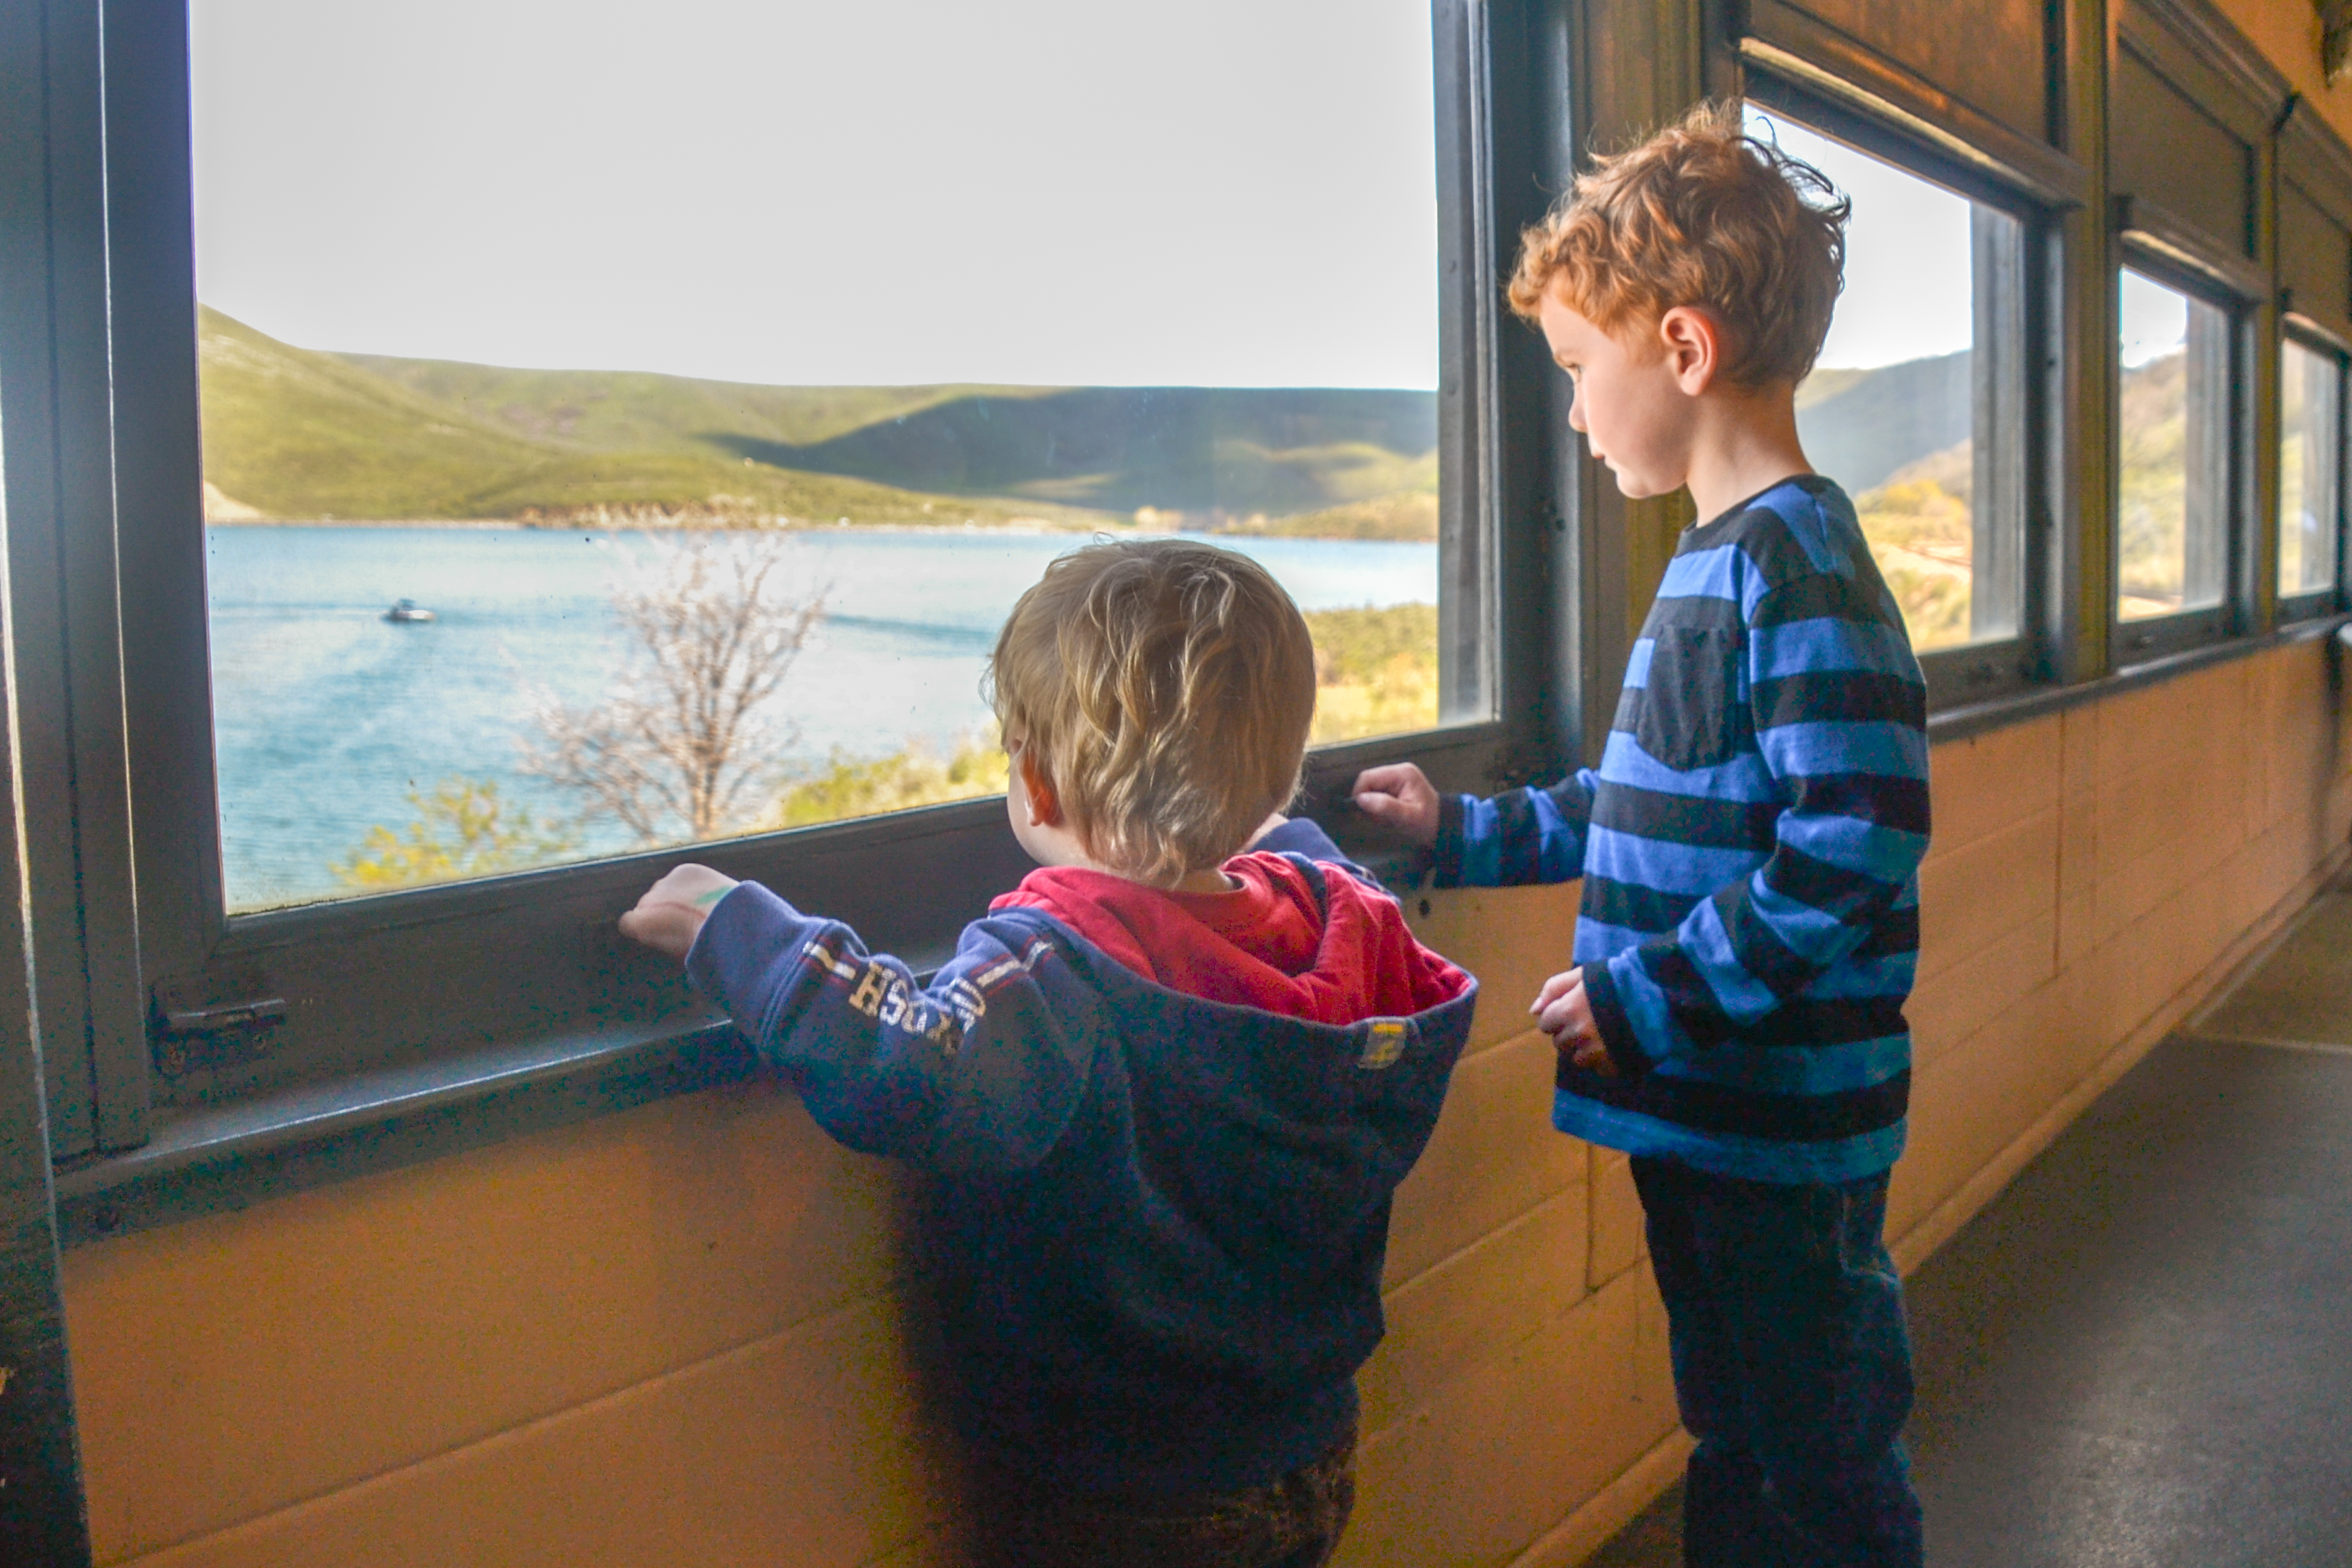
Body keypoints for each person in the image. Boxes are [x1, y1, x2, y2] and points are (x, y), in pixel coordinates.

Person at [619, 538, 1477, 1568]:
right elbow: (1297, 859)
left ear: (1034, 781)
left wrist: (733, 926)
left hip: (1127, 1490)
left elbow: (909, 1061)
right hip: (1307, 1442)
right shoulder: (1349, 924)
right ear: (1278, 776)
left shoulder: (1061, 967)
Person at [1351, 103, 1929, 1567]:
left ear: (1680, 349)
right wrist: (1456, 833)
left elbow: (1855, 836)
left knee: (1817, 1457)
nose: (1568, 412)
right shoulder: (1717, 560)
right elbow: (1639, 798)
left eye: (1573, 368)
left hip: (1776, 1128)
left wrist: (1646, 993)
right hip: (1701, 1110)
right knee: (1738, 1431)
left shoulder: (1795, 565)